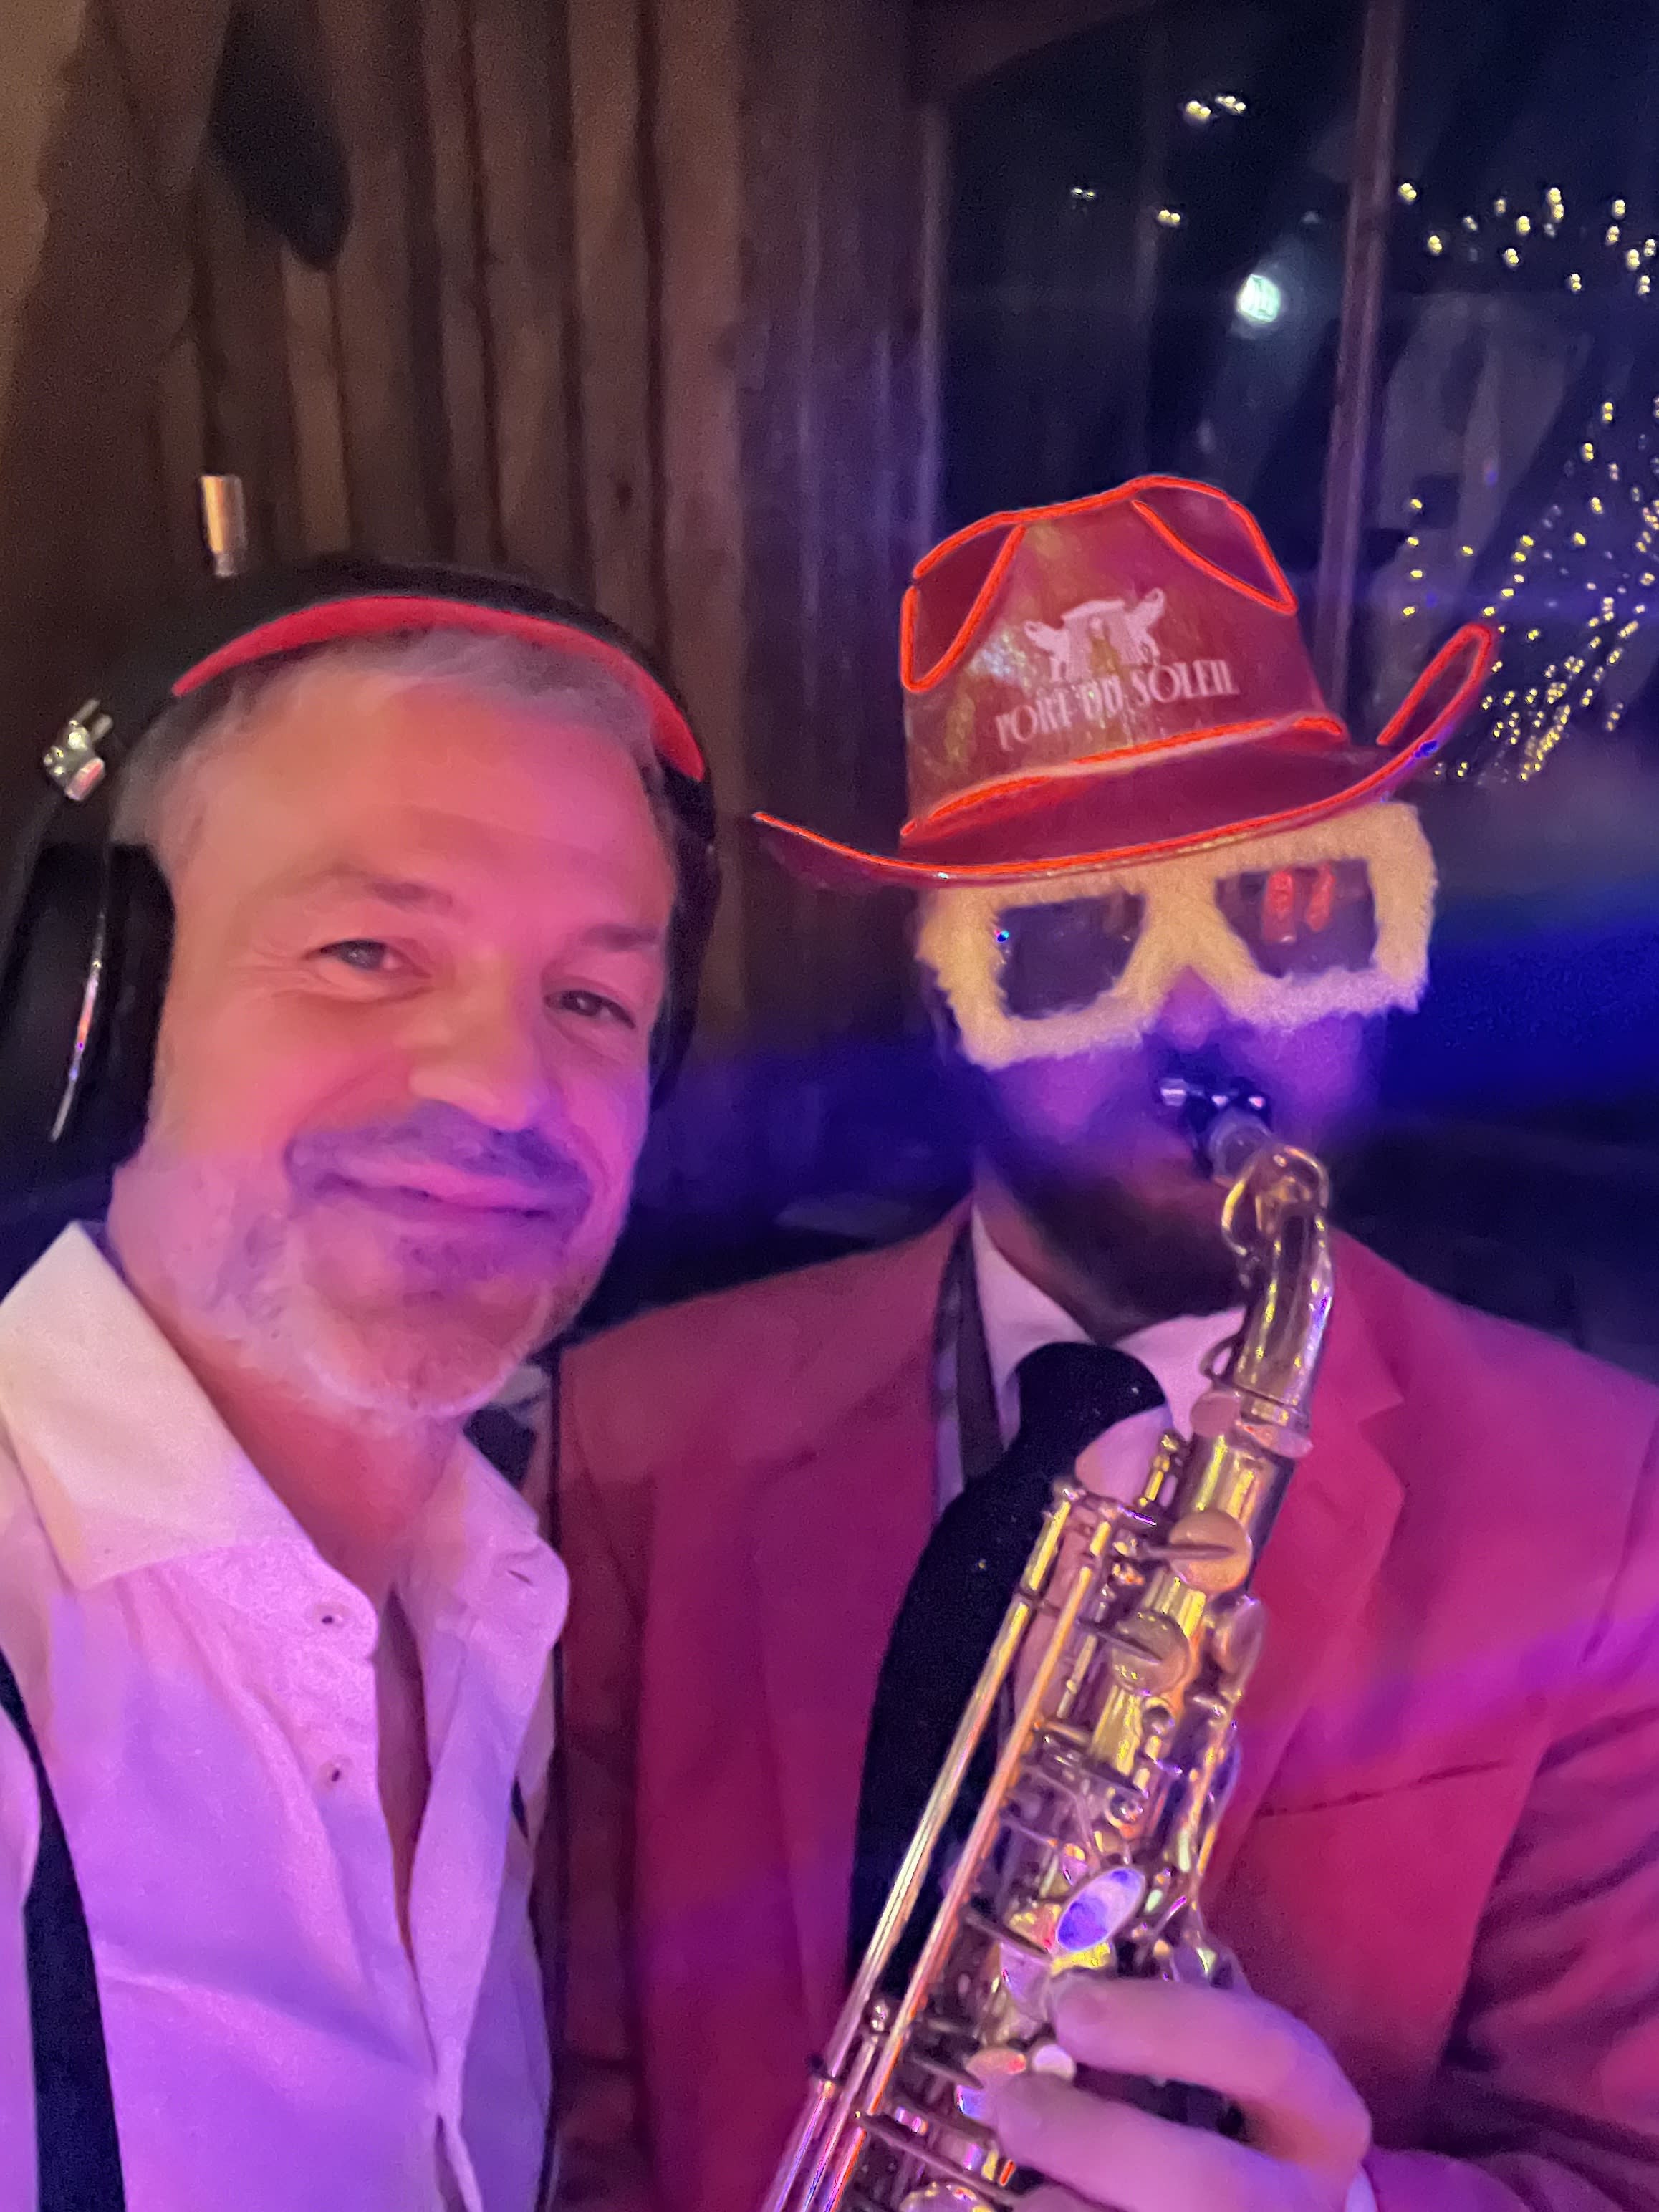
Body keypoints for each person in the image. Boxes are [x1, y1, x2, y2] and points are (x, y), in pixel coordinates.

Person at [546, 477, 1659, 2212]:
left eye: (1288, 914)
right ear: (945, 999)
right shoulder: (632, 1435)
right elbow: (578, 2120)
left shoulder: (1604, 1491)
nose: (1200, 1014)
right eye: (1073, 939)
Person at [0, 565, 715, 2211]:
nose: (506, 1085)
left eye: (592, 998)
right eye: (367, 950)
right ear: (89, 1017)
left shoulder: (498, 1604)